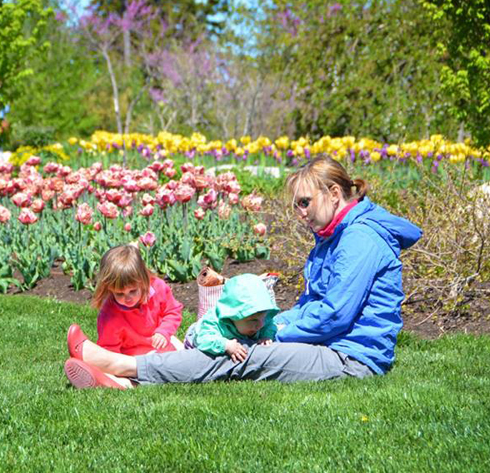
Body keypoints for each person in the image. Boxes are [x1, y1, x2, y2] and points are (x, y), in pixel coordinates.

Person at [64, 155, 422, 389]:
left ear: (332, 193)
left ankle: (123, 367)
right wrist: (273, 324)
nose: (299, 212)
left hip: (350, 358)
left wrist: (275, 333)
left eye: (304, 202)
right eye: (296, 204)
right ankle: (121, 379)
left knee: (240, 358)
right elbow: (313, 305)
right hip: (330, 345)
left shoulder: (359, 239)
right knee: (235, 345)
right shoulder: (335, 236)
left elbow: (334, 316)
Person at [90, 244, 184, 356]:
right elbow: (109, 349)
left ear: (143, 279)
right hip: (132, 357)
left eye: (133, 291)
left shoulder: (157, 288)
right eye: (119, 294)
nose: (127, 298)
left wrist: (164, 331)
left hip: (161, 347)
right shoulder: (110, 315)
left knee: (184, 359)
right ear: (109, 289)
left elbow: (172, 312)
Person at [184, 274, 279, 363]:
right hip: (196, 339)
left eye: (262, 319)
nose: (260, 325)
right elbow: (203, 339)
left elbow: (269, 324)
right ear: (233, 316)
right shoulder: (214, 322)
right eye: (253, 320)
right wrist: (225, 345)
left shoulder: (259, 318)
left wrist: (266, 336)